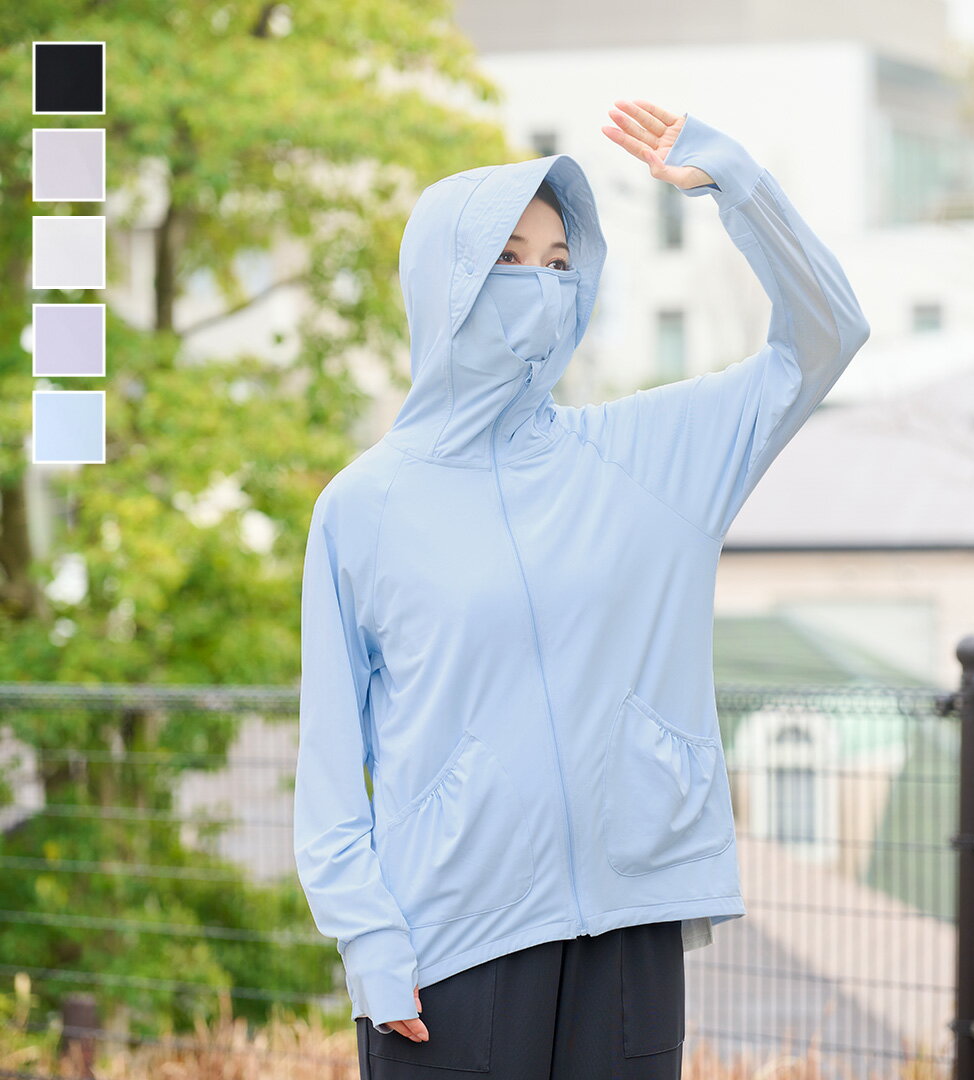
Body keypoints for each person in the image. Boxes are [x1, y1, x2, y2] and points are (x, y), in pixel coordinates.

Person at [294, 98, 871, 1079]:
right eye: (510, 258)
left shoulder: (648, 457)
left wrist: (738, 185)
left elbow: (826, 337)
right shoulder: (364, 507)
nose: (543, 285)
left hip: (630, 929)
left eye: (562, 263)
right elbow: (329, 765)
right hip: (447, 949)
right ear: (444, 281)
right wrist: (371, 941)